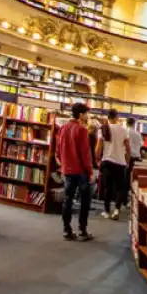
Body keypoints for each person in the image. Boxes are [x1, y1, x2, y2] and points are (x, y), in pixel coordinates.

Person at [57, 102, 94, 241]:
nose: (87, 116)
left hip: (67, 170)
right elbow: (85, 153)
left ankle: (67, 230)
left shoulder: (63, 128)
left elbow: (58, 151)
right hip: (81, 171)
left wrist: (63, 166)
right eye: (86, 113)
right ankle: (82, 230)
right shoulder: (82, 130)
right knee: (85, 201)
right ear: (80, 114)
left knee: (67, 200)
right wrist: (90, 171)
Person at [95, 109, 131, 220]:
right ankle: (116, 210)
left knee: (107, 188)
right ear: (117, 117)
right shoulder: (124, 129)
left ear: (108, 117)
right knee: (120, 188)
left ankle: (106, 211)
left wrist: (97, 160)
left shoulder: (103, 129)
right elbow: (128, 148)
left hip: (107, 161)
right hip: (120, 162)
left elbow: (98, 147)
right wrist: (127, 160)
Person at [125, 118, 142, 186]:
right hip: (136, 158)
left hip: (126, 157)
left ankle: (125, 194)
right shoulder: (138, 134)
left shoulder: (125, 132)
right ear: (134, 124)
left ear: (126, 123)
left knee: (125, 178)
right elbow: (140, 145)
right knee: (133, 179)